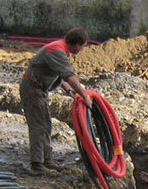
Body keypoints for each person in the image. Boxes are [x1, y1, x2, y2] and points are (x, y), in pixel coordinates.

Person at [19, 27, 94, 175]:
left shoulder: (60, 48)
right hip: (32, 90)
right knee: (39, 126)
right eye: (84, 46)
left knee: (46, 125)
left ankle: (47, 160)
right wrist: (84, 96)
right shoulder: (57, 51)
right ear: (78, 44)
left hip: (39, 90)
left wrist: (69, 91)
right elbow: (69, 75)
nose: (83, 49)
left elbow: (59, 74)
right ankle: (37, 164)